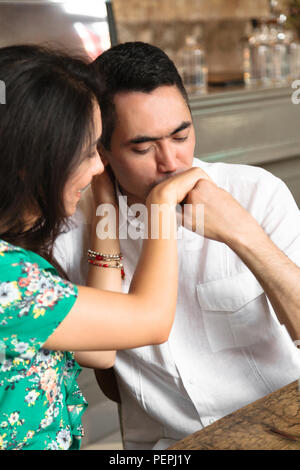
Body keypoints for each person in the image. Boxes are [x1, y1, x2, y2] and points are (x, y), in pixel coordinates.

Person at [54, 42, 300, 450]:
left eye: (181, 135)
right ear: (102, 151)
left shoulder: (257, 193)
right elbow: (100, 359)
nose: (171, 161)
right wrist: (106, 219)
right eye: (143, 147)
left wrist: (243, 233)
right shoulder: (71, 231)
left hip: (280, 431)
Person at [0, 44, 205, 450]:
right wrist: (160, 207)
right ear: (34, 164)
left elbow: (98, 352)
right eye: (87, 153)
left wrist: (105, 210)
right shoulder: (12, 280)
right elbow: (150, 320)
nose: (99, 168)